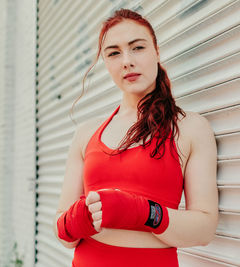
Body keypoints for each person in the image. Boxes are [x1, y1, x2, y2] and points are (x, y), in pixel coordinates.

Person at [52, 8, 218, 267]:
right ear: (106, 63)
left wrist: (142, 212)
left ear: (156, 52)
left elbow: (205, 229)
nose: (126, 61)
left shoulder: (190, 128)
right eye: (114, 53)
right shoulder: (86, 133)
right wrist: (79, 217)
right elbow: (64, 235)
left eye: (137, 48)